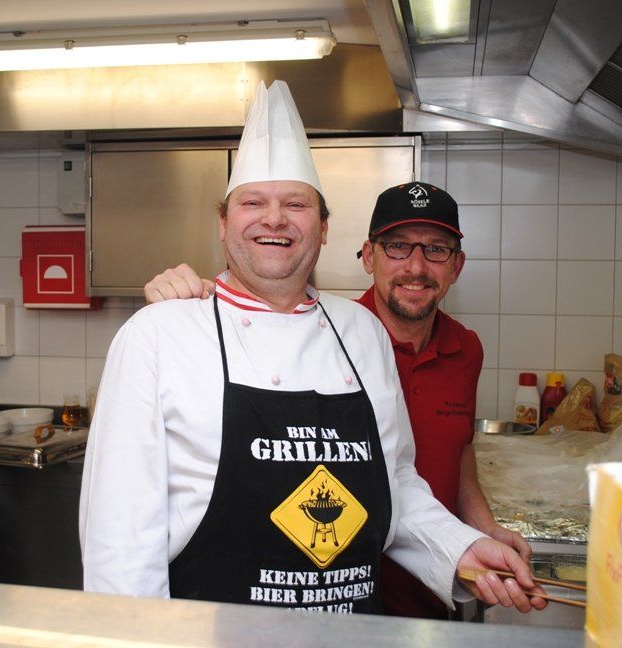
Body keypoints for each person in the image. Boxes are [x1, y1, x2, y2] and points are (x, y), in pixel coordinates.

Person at [81, 80, 545, 615]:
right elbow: (120, 542)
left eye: (295, 204)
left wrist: (461, 547)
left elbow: (396, 484)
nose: (274, 219)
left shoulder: (362, 332)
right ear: (223, 223)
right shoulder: (158, 336)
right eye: (253, 202)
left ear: (323, 228)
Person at [143, 183, 530, 619]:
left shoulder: (382, 338)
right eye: (398, 246)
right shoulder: (165, 332)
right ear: (368, 256)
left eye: (436, 249)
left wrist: (467, 542)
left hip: (386, 595)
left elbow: (405, 476)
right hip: (223, 622)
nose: (416, 266)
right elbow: (126, 535)